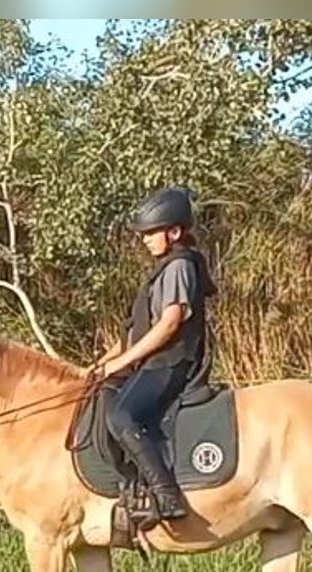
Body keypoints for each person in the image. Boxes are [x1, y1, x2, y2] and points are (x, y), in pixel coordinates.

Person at [92, 186, 218, 527]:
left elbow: (169, 323)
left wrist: (121, 363)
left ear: (174, 232)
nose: (145, 239)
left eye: (151, 233)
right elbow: (136, 329)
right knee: (105, 395)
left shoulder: (179, 266)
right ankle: (131, 486)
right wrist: (100, 367)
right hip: (155, 360)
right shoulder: (163, 268)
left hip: (172, 362)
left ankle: (166, 495)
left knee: (123, 417)